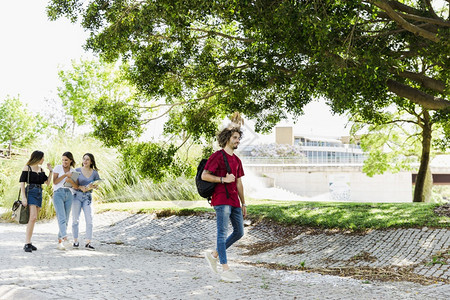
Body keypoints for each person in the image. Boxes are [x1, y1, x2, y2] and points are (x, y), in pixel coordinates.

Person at [201, 122, 247, 282]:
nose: (238, 141)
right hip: (221, 199)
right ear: (227, 138)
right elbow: (204, 175)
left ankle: (214, 255)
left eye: (239, 138)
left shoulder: (237, 160)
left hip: (234, 200)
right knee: (221, 233)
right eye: (235, 138)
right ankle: (225, 269)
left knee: (239, 232)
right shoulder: (217, 156)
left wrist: (244, 203)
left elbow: (239, 183)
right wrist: (223, 179)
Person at [20, 150, 53, 252]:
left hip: (39, 192)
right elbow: (22, 183)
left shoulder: (41, 169)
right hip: (30, 192)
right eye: (42, 157)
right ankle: (27, 243)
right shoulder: (27, 168)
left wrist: (51, 171)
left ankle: (29, 242)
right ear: (38, 158)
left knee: (33, 219)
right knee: (33, 217)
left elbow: (47, 183)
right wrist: (24, 197)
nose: (43, 159)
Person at [72, 153, 101, 250]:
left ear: (91, 161)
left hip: (87, 198)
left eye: (87, 159)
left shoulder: (94, 173)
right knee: (75, 220)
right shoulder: (77, 171)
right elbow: (70, 184)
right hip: (77, 196)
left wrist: (93, 186)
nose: (85, 161)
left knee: (89, 220)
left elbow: (97, 185)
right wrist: (80, 187)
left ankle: (88, 243)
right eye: (84, 159)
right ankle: (75, 241)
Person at [53, 151, 78, 250]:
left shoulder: (74, 171)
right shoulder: (58, 168)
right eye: (63, 160)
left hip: (69, 194)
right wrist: (65, 175)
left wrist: (70, 180)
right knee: (61, 217)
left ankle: (59, 242)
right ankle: (65, 238)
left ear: (71, 160)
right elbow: (55, 182)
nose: (64, 162)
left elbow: (75, 186)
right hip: (58, 193)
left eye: (66, 160)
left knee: (66, 219)